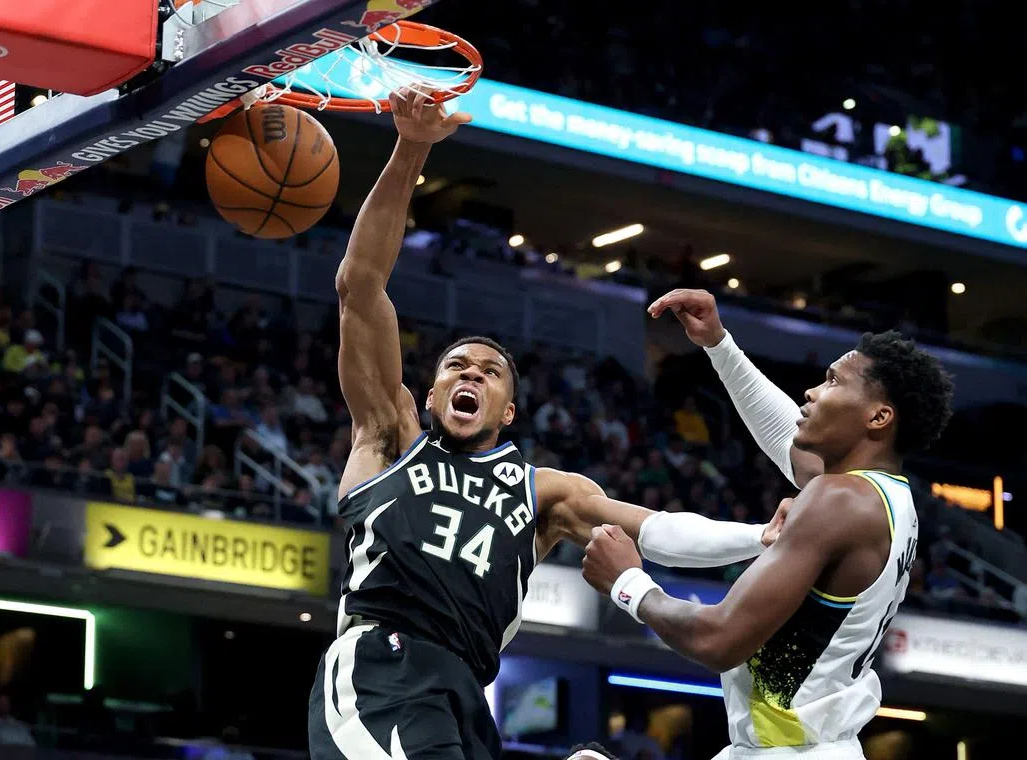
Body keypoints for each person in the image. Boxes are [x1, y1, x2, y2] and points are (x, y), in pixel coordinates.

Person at [307, 94, 788, 760]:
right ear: (432, 389)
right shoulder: (389, 438)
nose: (469, 374)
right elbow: (360, 284)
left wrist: (758, 536)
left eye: (488, 371)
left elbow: (655, 529)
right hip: (381, 668)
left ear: (507, 411)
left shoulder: (545, 493)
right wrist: (413, 146)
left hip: (465, 694)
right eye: (455, 366)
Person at [581, 289, 954, 760]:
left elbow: (719, 639)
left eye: (833, 382)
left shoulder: (839, 500)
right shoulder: (885, 498)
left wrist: (629, 584)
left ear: (878, 417)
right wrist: (718, 345)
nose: (813, 392)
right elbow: (785, 433)